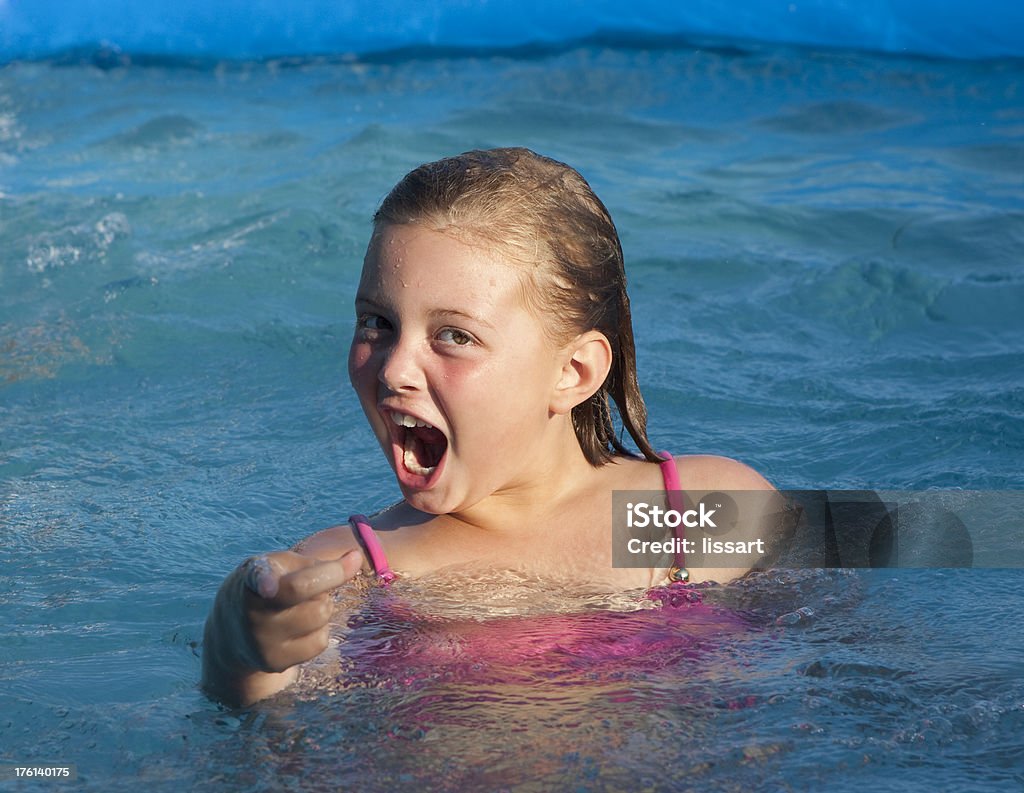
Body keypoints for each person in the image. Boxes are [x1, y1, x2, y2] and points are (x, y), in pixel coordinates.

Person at [201, 147, 777, 707]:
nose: (394, 369)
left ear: (572, 372)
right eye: (377, 322)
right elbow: (268, 724)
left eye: (454, 335)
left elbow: (852, 646)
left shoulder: (695, 510)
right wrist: (237, 652)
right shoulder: (356, 568)